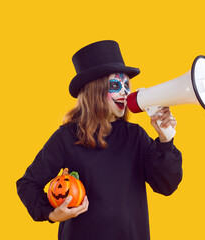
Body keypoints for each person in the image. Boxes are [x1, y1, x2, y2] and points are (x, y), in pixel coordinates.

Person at [16, 40, 183, 240]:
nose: (124, 92)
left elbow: (166, 185)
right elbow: (27, 184)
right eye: (115, 85)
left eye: (126, 85)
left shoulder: (136, 136)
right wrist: (52, 213)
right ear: (95, 90)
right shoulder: (66, 138)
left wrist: (165, 140)